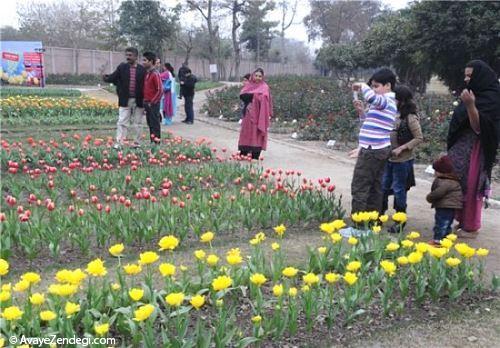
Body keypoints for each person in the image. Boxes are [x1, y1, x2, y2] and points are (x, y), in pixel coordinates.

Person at [447, 60, 500, 237]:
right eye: (466, 75)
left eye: (470, 75)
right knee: (459, 183)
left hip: (477, 147)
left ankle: (471, 227)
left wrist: (470, 105)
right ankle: (461, 220)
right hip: (463, 148)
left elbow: (480, 127)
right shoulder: (472, 93)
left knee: (472, 185)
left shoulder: (492, 98)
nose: (466, 79)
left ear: (480, 76)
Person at [350, 68, 397, 215]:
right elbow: (371, 123)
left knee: (360, 186)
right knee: (374, 187)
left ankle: (358, 225)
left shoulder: (386, 100)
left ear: (388, 85)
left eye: (376, 86)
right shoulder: (384, 103)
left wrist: (363, 85)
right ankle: (371, 222)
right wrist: (362, 112)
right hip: (378, 149)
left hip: (372, 150)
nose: (373, 90)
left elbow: (372, 98)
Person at [382, 85, 424, 233]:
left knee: (399, 190)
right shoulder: (393, 114)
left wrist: (402, 148)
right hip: (388, 159)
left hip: (402, 161)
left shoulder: (410, 118)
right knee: (384, 186)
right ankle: (380, 216)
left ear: (402, 100)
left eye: (395, 98)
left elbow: (419, 138)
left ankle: (399, 221)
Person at [103, 47, 145, 149]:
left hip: (139, 100)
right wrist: (106, 77)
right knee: (122, 122)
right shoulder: (122, 67)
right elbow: (113, 77)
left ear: (136, 56)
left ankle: (137, 143)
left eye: (130, 55)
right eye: (127, 55)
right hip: (125, 99)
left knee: (137, 123)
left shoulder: (142, 69)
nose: (128, 57)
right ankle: (119, 143)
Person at [426, 155, 463, 245]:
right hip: (451, 206)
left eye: (436, 171)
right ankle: (446, 239)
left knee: (441, 223)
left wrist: (429, 197)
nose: (434, 173)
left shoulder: (446, 183)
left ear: (442, 172)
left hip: (445, 206)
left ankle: (438, 240)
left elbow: (438, 193)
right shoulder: (452, 181)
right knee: (447, 223)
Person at [238, 68, 273, 160]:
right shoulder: (249, 85)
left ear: (262, 77)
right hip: (248, 114)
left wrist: (253, 96)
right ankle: (244, 151)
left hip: (259, 115)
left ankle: (255, 154)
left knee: (256, 133)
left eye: (260, 76)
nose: (257, 78)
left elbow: (265, 99)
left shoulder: (264, 87)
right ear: (253, 76)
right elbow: (242, 95)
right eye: (256, 75)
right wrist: (255, 95)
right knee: (246, 132)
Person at [142, 51, 163, 143]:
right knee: (150, 124)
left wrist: (152, 102)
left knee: (155, 124)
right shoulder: (147, 74)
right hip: (147, 103)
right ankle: (152, 143)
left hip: (153, 104)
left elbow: (160, 90)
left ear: (151, 61)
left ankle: (156, 144)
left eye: (145, 60)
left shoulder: (155, 74)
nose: (143, 62)